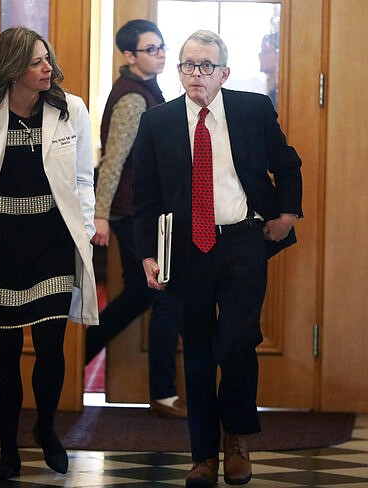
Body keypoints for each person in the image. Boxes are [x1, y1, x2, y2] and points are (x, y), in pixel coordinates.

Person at [132, 30, 302, 487]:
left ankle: (237, 441)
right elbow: (144, 198)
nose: (196, 74)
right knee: (201, 352)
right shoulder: (159, 122)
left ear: (224, 73)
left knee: (237, 343)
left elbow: (286, 163)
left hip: (244, 241)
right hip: (187, 250)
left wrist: (286, 214)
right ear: (179, 70)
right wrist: (148, 254)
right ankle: (203, 456)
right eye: (188, 64)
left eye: (206, 66)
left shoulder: (252, 110)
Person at [0, 27, 99, 480]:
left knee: (50, 347)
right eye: (35, 62)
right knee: (4, 351)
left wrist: (82, 234)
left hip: (51, 240)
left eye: (47, 59)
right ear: (12, 69)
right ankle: (7, 450)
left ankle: (46, 427)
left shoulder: (71, 110)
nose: (47, 68)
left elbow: (83, 182)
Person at [86, 19, 185, 417]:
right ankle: (163, 393)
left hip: (139, 209)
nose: (160, 54)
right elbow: (114, 160)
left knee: (144, 294)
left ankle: (78, 353)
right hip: (133, 212)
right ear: (130, 56)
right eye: (151, 49)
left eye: (162, 47)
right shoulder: (133, 98)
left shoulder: (146, 89)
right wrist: (101, 214)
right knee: (161, 294)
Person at [259, 33, 279, 109]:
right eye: (262, 52)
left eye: (266, 52)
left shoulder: (279, 93)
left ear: (278, 56)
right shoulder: (264, 89)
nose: (261, 56)